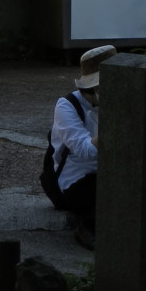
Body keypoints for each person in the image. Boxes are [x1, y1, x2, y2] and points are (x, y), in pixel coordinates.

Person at [48, 43, 117, 249]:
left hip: (110, 170)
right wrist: (115, 120)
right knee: (104, 190)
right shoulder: (67, 105)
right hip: (76, 178)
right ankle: (87, 228)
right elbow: (86, 150)